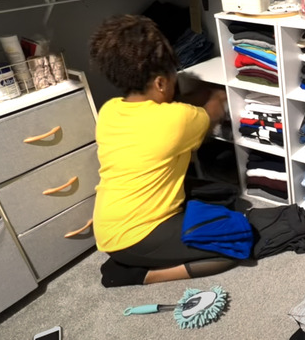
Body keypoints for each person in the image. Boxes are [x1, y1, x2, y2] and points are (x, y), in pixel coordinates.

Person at [89, 14, 237, 287]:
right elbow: (210, 113)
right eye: (172, 77)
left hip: (107, 226)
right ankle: (137, 274)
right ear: (159, 83)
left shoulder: (109, 110)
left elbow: (173, 113)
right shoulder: (178, 120)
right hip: (139, 235)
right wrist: (217, 94)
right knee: (236, 243)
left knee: (220, 198)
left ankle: (134, 259)